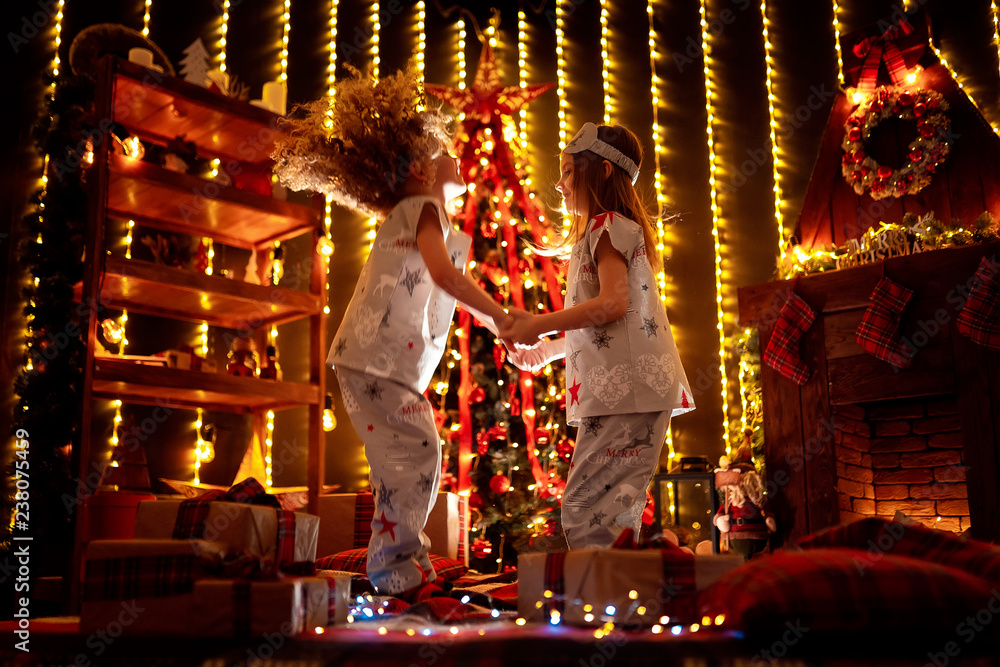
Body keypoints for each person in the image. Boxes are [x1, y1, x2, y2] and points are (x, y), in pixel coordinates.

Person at [273, 66, 517, 599]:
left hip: (382, 363)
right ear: (419, 168)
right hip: (377, 360)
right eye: (443, 147)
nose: (455, 154)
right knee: (418, 454)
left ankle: (402, 565)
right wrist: (502, 316)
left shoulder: (423, 214)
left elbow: (445, 286)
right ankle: (397, 572)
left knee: (403, 461)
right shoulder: (423, 209)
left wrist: (502, 325)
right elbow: (446, 275)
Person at [500, 122, 695, 549]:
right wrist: (549, 350)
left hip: (628, 393)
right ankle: (619, 599)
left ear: (602, 171)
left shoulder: (607, 226)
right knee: (608, 512)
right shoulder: (607, 229)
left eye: (569, 171)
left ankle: (607, 601)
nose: (560, 182)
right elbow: (609, 326)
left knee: (587, 508)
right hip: (630, 390)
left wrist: (538, 322)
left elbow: (612, 304)